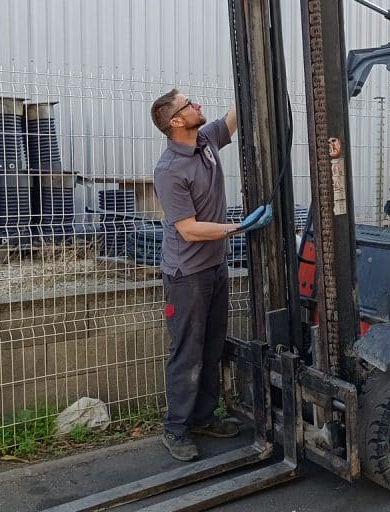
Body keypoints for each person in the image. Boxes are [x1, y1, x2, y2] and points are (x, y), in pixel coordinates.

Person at [150, 89, 272, 462]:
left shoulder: (204, 140)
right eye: (190, 105)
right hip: (187, 275)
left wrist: (258, 80)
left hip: (214, 266)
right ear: (175, 122)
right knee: (187, 352)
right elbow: (188, 229)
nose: (199, 105)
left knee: (212, 346)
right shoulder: (170, 170)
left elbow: (234, 118)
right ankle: (176, 429)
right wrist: (239, 228)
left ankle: (203, 417)